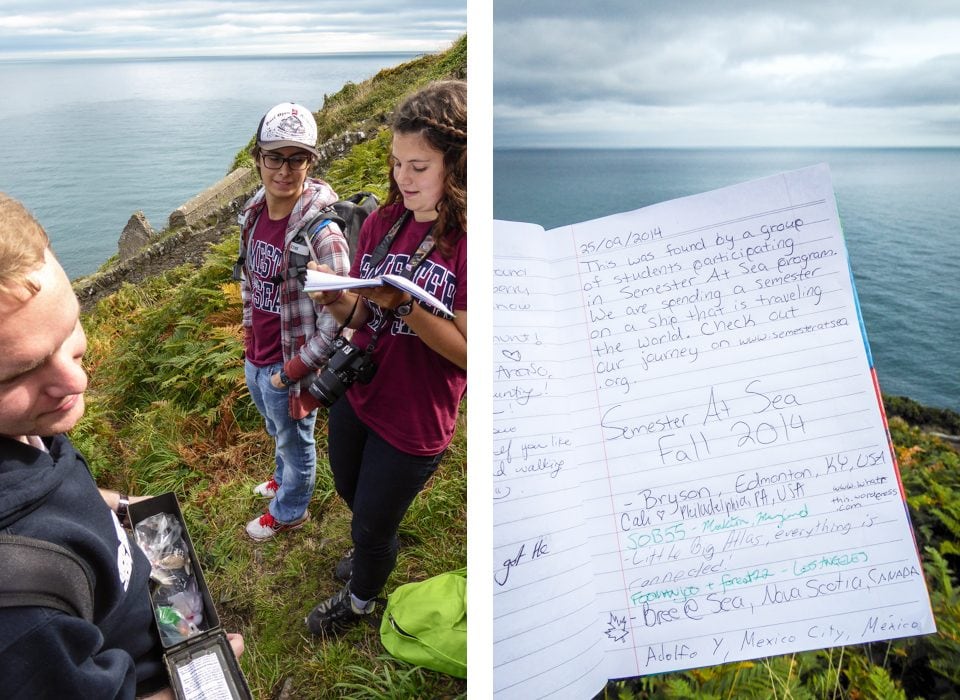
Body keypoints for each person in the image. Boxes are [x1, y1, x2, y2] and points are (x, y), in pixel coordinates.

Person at [0, 193, 243, 698]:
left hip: (159, 625)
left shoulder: (22, 425)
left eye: (69, 327)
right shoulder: (18, 613)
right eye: (22, 371)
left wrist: (116, 507)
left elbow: (49, 488)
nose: (76, 379)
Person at [302, 80, 467, 635]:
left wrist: (407, 305)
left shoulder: (468, 246)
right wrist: (340, 298)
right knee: (351, 493)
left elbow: (471, 355)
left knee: (370, 527)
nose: (402, 179)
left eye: (419, 166)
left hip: (415, 419)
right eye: (397, 163)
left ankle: (360, 601)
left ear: (459, 165)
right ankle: (374, 548)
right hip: (363, 392)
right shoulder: (383, 222)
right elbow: (364, 320)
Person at [237, 102, 350, 541]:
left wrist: (293, 372)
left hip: (291, 364)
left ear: (310, 162)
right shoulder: (253, 214)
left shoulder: (322, 234)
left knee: (296, 441)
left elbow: (341, 321)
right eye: (274, 157)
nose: (284, 170)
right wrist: (249, 336)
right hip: (258, 353)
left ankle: (289, 511)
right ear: (258, 159)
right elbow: (249, 279)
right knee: (277, 430)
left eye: (296, 158)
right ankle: (283, 480)